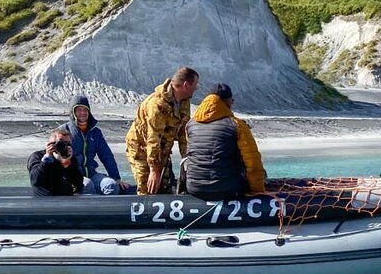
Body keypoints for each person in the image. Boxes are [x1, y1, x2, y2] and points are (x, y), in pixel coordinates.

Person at [183, 83, 266, 200]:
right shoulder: (237, 125)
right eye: (232, 100)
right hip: (226, 189)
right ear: (226, 101)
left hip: (194, 188)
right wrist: (258, 192)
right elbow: (253, 164)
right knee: (260, 172)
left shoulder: (190, 124)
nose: (232, 103)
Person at [125, 67, 199, 195]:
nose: (196, 89)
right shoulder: (157, 105)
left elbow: (183, 133)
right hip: (141, 149)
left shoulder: (184, 101)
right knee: (148, 188)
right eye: (195, 85)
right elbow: (153, 139)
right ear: (186, 85)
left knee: (164, 185)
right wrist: (154, 170)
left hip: (163, 149)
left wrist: (186, 160)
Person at [63, 95, 129, 195]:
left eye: (85, 110)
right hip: (73, 177)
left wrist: (116, 178)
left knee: (111, 185)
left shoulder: (96, 133)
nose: (82, 113)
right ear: (73, 112)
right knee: (87, 185)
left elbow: (107, 156)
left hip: (92, 174)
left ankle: (107, 210)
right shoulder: (64, 131)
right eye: (79, 110)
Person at [28, 128, 83, 197]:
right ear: (50, 143)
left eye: (67, 143)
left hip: (65, 199)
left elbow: (79, 183)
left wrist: (67, 164)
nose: (63, 146)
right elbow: (35, 180)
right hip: (44, 199)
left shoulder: (69, 157)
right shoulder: (37, 156)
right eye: (60, 143)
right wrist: (46, 159)